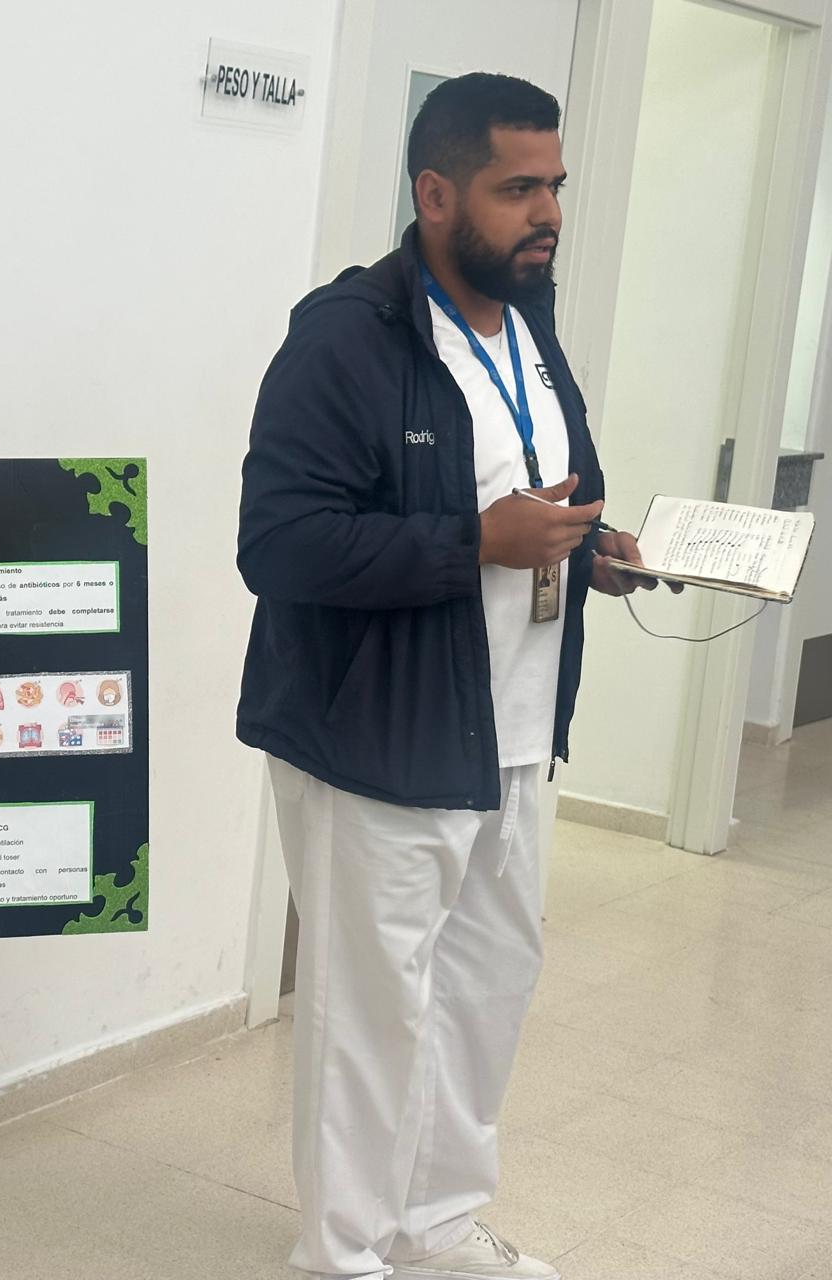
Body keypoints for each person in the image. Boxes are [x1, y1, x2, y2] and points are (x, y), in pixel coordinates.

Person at [236, 74, 673, 1280]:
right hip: (378, 738)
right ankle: (341, 1252)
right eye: (516, 188)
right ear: (434, 194)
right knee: (367, 1013)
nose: (547, 214)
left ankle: (430, 1225)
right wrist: (474, 541)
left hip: (515, 733)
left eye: (554, 187)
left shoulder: (527, 327)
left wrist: (591, 546)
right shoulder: (345, 337)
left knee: (483, 992)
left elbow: (550, 491)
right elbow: (278, 544)